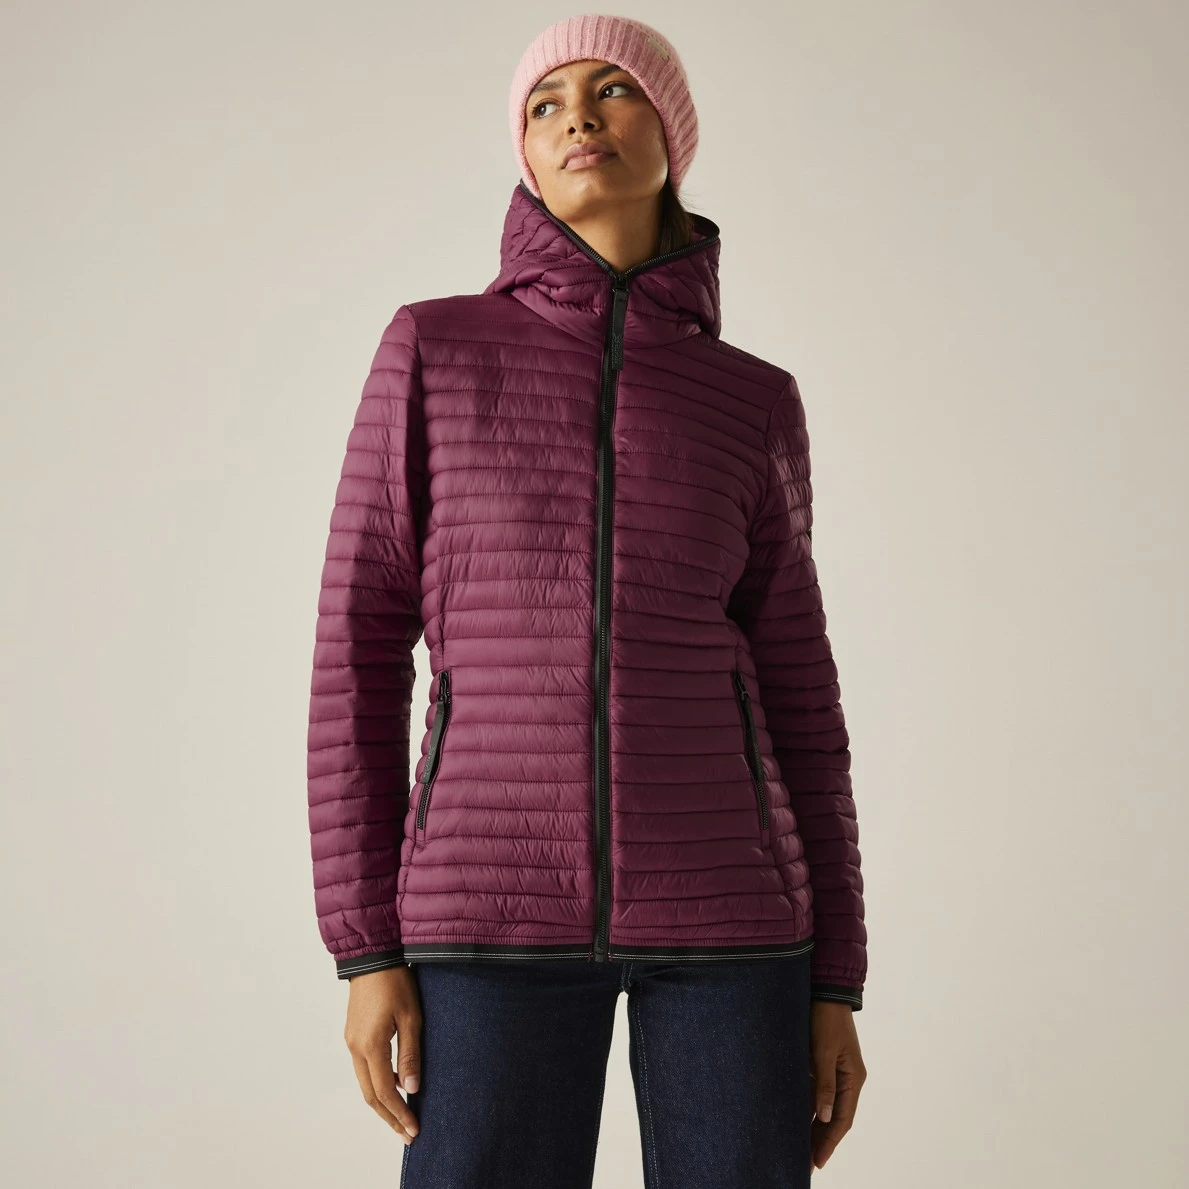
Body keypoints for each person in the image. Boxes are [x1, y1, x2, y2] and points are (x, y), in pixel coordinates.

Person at [306, 14, 867, 1187]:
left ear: (671, 131)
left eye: (613, 90)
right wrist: (364, 949)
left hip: (732, 919)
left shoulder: (752, 400)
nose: (578, 117)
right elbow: (357, 650)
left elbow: (801, 695)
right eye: (545, 103)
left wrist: (835, 978)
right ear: (522, 149)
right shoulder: (433, 351)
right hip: (484, 911)